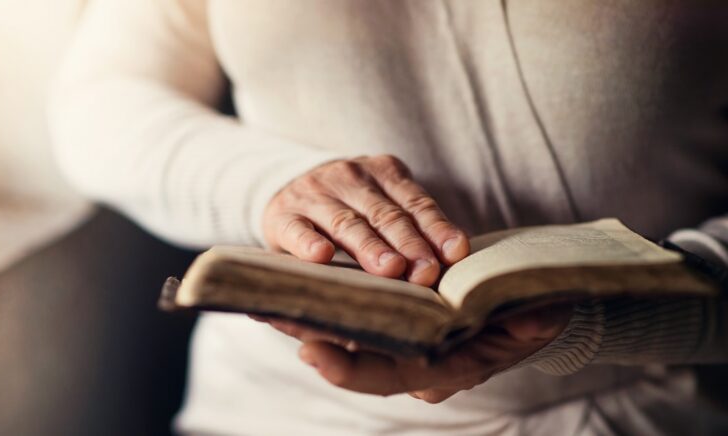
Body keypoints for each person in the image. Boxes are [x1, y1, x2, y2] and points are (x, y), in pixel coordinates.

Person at [49, 1, 728, 434]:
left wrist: (601, 319)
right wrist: (272, 185)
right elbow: (101, 100)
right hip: (272, 410)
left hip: (636, 413)